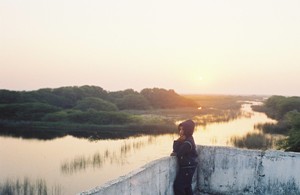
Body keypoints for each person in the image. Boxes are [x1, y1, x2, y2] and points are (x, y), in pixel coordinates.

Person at [171, 119, 198, 195]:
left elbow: (178, 153)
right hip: (188, 166)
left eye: (183, 129)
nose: (181, 132)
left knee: (178, 186)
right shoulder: (187, 139)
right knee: (186, 186)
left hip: (188, 167)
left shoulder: (188, 142)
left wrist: (178, 141)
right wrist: (179, 140)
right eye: (180, 129)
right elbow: (176, 150)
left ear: (188, 130)